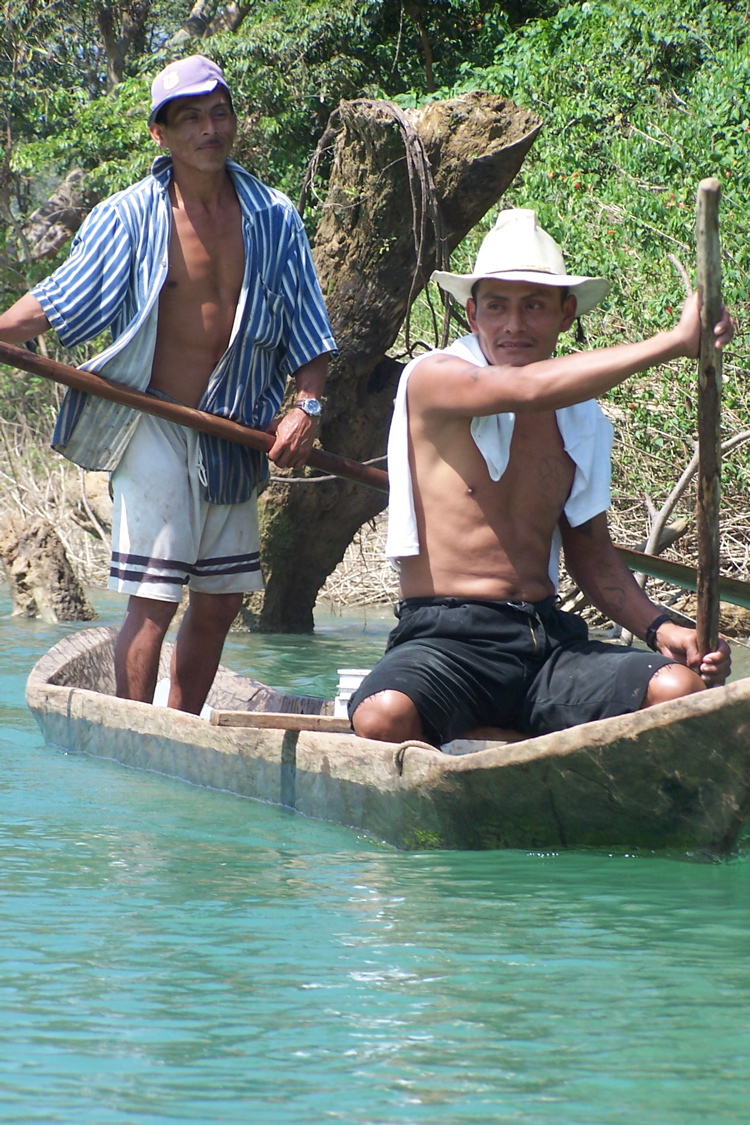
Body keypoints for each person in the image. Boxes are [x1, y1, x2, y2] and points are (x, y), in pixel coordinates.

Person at [0, 55, 336, 714]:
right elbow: (60, 300)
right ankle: (134, 735)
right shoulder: (129, 217)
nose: (209, 129)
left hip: (234, 431)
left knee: (219, 603)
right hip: (152, 423)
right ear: (161, 134)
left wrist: (307, 407)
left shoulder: (275, 216)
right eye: (190, 119)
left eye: (218, 113)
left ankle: (180, 728)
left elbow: (310, 332)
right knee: (154, 602)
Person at [349, 208, 733, 746]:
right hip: (445, 640)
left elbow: (592, 555)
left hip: (543, 638)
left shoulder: (583, 419)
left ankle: (519, 730)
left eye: (534, 306)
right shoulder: (434, 380)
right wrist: (673, 341)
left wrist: (663, 627)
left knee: (679, 690)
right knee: (381, 717)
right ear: (471, 314)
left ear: (566, 312)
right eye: (497, 306)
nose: (514, 325)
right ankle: (481, 729)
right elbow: (525, 389)